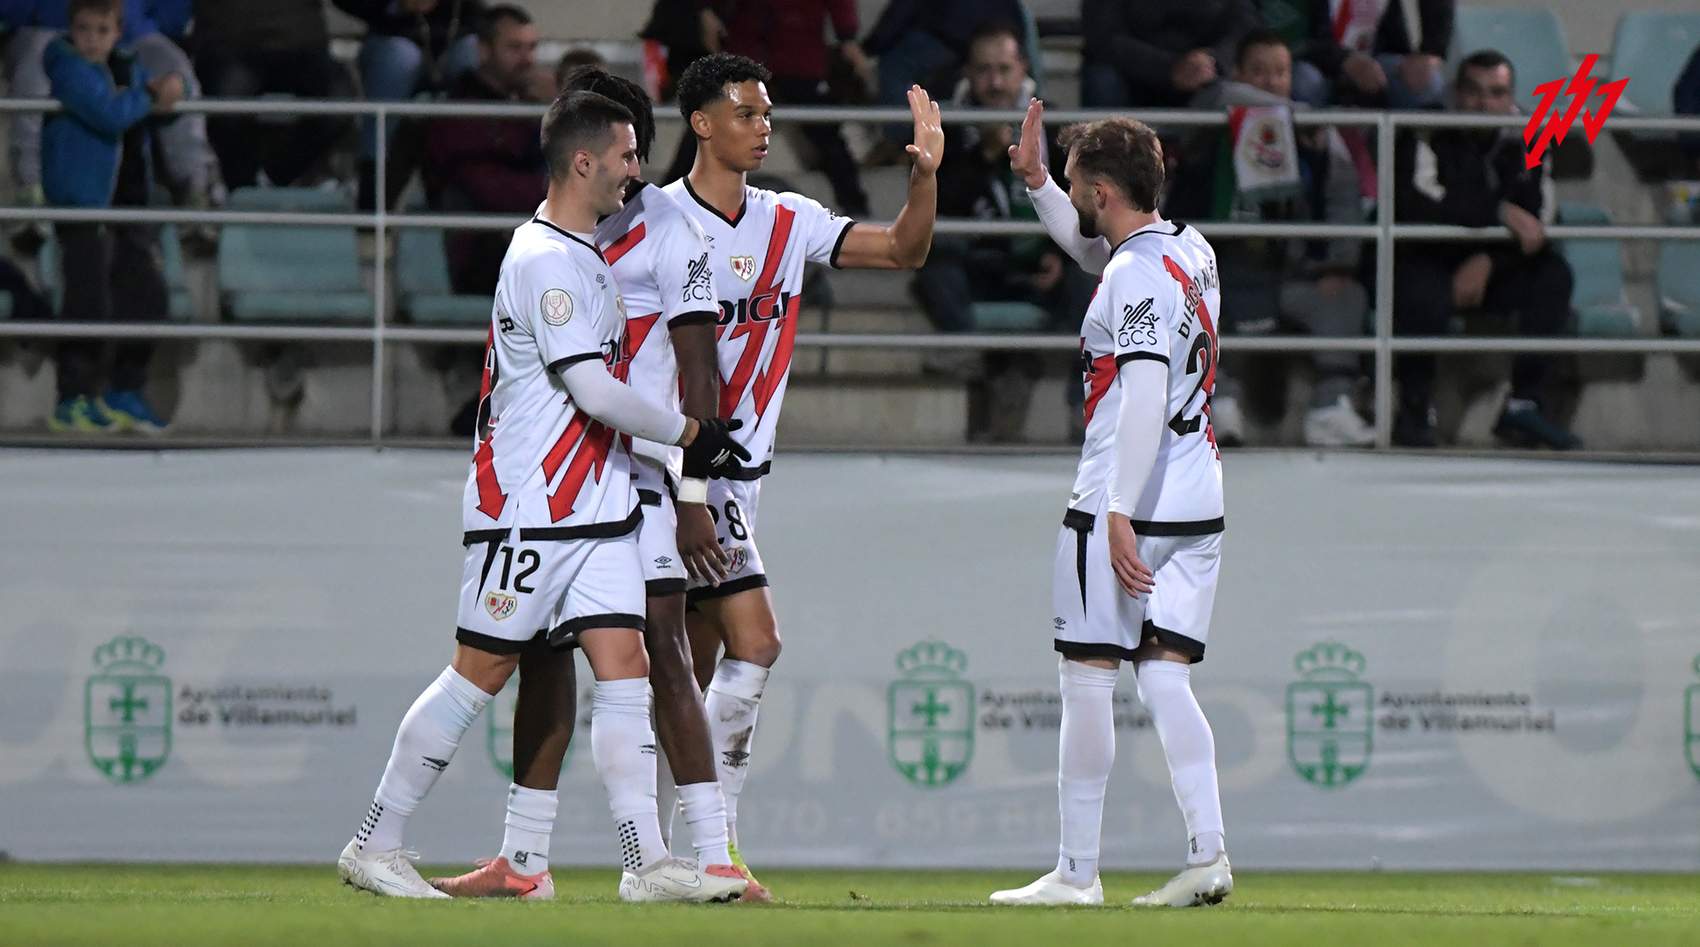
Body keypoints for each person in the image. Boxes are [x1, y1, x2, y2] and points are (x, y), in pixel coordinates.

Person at [336, 90, 751, 904]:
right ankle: (374, 841)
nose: (640, 172)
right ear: (585, 161)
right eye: (629, 157)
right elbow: (593, 389)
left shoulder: (585, 253)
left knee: (625, 672)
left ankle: (647, 861)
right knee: (477, 674)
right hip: (528, 505)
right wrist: (685, 435)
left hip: (595, 508)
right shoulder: (541, 259)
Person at [662, 52, 942, 896]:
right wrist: (686, 485)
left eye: (768, 112)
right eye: (746, 112)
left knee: (690, 668)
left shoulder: (788, 218)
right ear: (702, 123)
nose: (764, 125)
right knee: (756, 643)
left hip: (737, 476)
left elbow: (902, 250)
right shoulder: (653, 223)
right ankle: (717, 849)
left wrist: (924, 175)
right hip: (677, 468)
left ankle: (677, 853)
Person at [992, 109, 1231, 908]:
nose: (1072, 199)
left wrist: (1119, 508)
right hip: (1199, 494)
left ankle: (1076, 871)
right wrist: (1034, 184)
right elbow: (1101, 249)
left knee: (1086, 675)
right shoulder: (1188, 250)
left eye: (1072, 188)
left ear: (1101, 189)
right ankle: (1208, 852)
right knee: (1166, 677)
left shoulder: (1130, 277)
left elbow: (1143, 391)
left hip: (1122, 498)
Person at [1165, 30, 1375, 447]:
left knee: (1347, 296)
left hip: (1291, 274)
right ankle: (1213, 407)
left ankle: (1330, 410)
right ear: (1239, 74)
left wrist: (1337, 262)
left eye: (1280, 73)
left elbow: (1343, 200)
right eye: (1258, 72)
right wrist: (1293, 112)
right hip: (1218, 275)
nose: (1269, 81)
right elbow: (1218, 95)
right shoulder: (1208, 118)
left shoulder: (1314, 134)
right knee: (1175, 298)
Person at [912, 21, 1091, 442]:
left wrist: (1060, 257)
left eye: (1004, 70)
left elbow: (1081, 205)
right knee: (934, 258)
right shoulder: (944, 128)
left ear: (1022, 68)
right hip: (975, 261)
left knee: (1092, 272)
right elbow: (936, 206)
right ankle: (975, 358)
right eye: (984, 70)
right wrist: (985, 156)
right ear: (968, 74)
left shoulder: (1055, 125)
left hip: (1037, 262)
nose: (994, 83)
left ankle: (1084, 405)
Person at [1392, 50, 1577, 449]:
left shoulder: (1530, 136)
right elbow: (1420, 207)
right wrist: (1496, 211)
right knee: (1414, 285)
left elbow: (1536, 223)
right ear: (1457, 92)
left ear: (1510, 96)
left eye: (1496, 93)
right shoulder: (1425, 128)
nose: (1484, 103)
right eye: (1474, 92)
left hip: (1495, 264)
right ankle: (1413, 408)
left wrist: (1488, 260)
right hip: (1433, 257)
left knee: (1553, 276)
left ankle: (1525, 406)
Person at [42, 0, 181, 433]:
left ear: (118, 31)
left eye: (102, 30)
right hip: (84, 204)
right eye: (84, 29)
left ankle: (124, 390)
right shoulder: (67, 69)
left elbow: (154, 102)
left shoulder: (128, 65)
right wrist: (150, 95)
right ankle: (72, 399)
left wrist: (170, 90)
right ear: (71, 29)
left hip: (129, 204)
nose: (92, 39)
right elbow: (108, 115)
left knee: (149, 298)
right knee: (88, 302)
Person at [5, 0, 216, 226]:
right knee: (32, 71)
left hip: (133, 34)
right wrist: (40, 14)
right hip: (52, 31)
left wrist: (144, 23)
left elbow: (173, 11)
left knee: (176, 69)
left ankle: (194, 187)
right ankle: (29, 188)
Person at [421, 3, 546, 297]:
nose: (526, 59)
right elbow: (484, 185)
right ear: (483, 51)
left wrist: (557, 113)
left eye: (531, 48)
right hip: (481, 256)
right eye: (514, 48)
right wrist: (552, 188)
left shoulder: (534, 106)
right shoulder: (460, 112)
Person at [720, 0, 870, 218]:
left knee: (827, 138)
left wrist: (847, 37)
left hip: (793, 58)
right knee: (717, 132)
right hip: (756, 56)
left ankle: (857, 212)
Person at [330, 0, 485, 208]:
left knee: (474, 53)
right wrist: (396, 4)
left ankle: (475, 170)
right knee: (399, 58)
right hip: (392, 33)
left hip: (455, 35)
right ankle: (373, 177)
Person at [191, 0, 353, 188]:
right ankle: (243, 188)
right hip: (229, 45)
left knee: (341, 101)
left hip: (304, 47)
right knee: (226, 106)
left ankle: (277, 174)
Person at [1079, 0, 1259, 108]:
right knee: (1102, 79)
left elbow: (1245, 23)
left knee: (1266, 73)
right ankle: (1104, 164)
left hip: (1205, 76)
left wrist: (1215, 59)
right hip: (1131, 76)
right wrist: (1170, 68)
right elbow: (1102, 35)